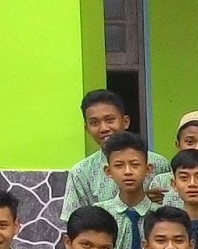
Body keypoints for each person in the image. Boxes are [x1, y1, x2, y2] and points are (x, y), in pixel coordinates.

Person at [61, 89, 169, 220]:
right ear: (87, 128)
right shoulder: (80, 173)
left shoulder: (158, 163)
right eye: (94, 123)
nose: (103, 128)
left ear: (125, 122)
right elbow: (75, 222)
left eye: (110, 120)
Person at [95, 131, 158, 249]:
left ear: (148, 169)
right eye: (119, 166)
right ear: (108, 171)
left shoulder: (161, 216)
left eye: (135, 165)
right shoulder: (99, 214)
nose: (128, 172)